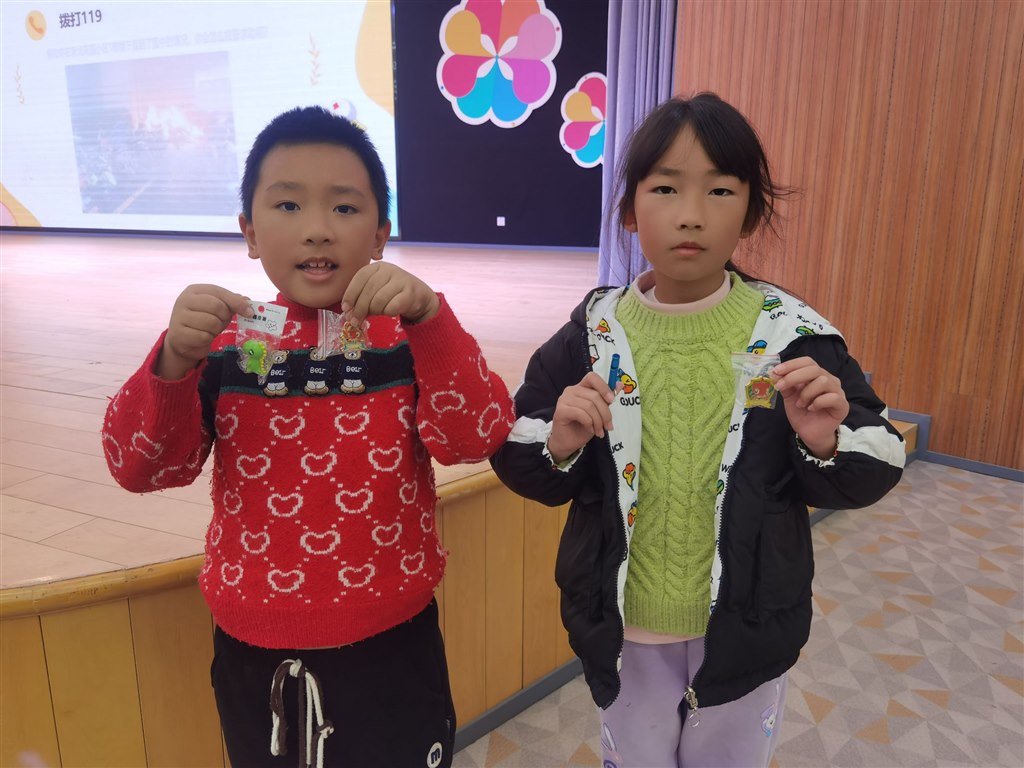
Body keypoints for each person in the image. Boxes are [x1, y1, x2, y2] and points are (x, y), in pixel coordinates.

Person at [489, 93, 906, 768]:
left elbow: (878, 460)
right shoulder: (592, 335)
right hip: (623, 627)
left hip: (748, 623)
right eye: (665, 188)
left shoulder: (792, 335)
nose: (691, 214)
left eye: (719, 190)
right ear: (630, 210)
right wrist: (559, 443)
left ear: (751, 211)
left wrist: (825, 442)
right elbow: (518, 452)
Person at [102, 106, 515, 768]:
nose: (318, 228)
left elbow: (478, 434)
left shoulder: (408, 337)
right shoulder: (230, 344)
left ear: (380, 234)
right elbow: (141, 467)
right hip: (254, 649)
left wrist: (431, 317)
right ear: (249, 231)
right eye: (288, 205)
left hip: (393, 640)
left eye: (344, 208)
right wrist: (173, 361)